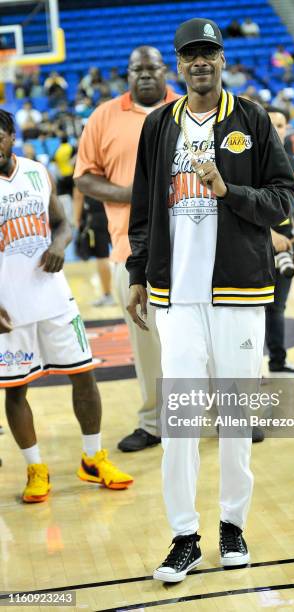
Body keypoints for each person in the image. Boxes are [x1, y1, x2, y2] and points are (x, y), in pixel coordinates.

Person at [126, 18, 294, 582]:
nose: (200, 62)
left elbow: (283, 201)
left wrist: (229, 190)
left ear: (222, 60)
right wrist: (135, 273)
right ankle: (183, 535)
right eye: (190, 55)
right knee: (179, 421)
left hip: (240, 292)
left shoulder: (251, 119)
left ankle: (233, 525)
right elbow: (144, 210)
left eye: (209, 53)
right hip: (174, 296)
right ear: (180, 65)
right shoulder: (157, 126)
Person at [0, 110, 133, 503]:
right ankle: (35, 468)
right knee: (15, 389)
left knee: (83, 376)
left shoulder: (37, 172)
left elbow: (61, 224)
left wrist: (59, 246)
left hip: (54, 297)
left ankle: (93, 458)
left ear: (10, 136)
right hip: (9, 308)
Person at [74, 46, 179, 452]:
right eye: (138, 69)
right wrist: (133, 196)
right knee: (147, 344)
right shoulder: (104, 116)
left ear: (165, 70)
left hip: (196, 248)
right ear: (128, 74)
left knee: (206, 338)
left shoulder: (190, 107)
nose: (146, 75)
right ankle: (154, 422)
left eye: (153, 67)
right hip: (131, 250)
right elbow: (84, 178)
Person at [265, 106, 294, 377]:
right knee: (252, 309)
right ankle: (246, 370)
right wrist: (269, 235)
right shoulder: (249, 161)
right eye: (271, 124)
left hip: (288, 241)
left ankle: (278, 363)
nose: (276, 129)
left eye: (281, 125)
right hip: (256, 243)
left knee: (278, 307)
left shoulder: (293, 163)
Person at [73, 188, 115, 306]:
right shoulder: (109, 169)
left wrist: (76, 219)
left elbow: (78, 195)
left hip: (96, 217)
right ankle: (130, 291)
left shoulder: (84, 170)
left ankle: (108, 295)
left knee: (102, 257)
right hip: (115, 212)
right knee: (122, 254)